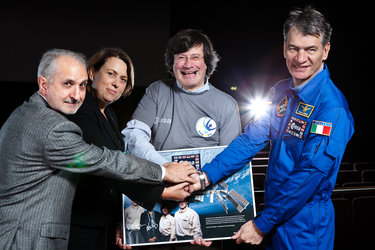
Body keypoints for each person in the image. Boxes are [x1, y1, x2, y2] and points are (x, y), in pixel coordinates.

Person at [191, 6, 354, 249]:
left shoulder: (331, 108)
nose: (300, 58)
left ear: (325, 51)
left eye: (311, 49)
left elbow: (309, 174)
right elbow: (250, 140)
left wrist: (262, 224)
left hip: (305, 226)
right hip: (276, 216)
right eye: (293, 48)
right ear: (284, 48)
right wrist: (206, 176)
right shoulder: (280, 92)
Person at [0, 48, 197, 250]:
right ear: (44, 84)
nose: (77, 95)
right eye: (67, 84)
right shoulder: (54, 126)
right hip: (26, 237)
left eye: (82, 85)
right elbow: (103, 162)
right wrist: (164, 172)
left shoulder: (30, 112)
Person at [66, 47, 186, 250]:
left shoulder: (110, 115)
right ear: (92, 72)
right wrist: (162, 192)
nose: (116, 83)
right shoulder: (80, 110)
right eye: (111, 74)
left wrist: (119, 219)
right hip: (79, 221)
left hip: (102, 220)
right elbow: (106, 167)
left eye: (123, 79)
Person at [122, 29, 241, 166]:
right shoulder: (157, 91)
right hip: (163, 178)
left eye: (195, 57)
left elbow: (229, 159)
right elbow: (133, 135)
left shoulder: (226, 104)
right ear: (172, 64)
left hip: (207, 181)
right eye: (181, 57)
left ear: (206, 63)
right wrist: (167, 169)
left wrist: (201, 179)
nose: (188, 64)